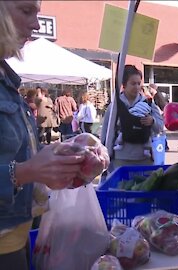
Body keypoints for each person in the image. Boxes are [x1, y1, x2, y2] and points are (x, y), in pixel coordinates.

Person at [0, 1, 85, 269]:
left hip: (17, 237)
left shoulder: (7, 78)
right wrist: (25, 171)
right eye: (26, 11)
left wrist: (55, 164)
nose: (37, 24)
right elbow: (18, 169)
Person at [101, 65, 163, 170]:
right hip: (121, 159)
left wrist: (152, 121)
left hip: (144, 158)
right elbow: (106, 132)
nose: (137, 87)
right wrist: (105, 154)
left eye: (139, 83)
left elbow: (160, 127)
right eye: (133, 84)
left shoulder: (148, 103)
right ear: (124, 84)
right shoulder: (115, 106)